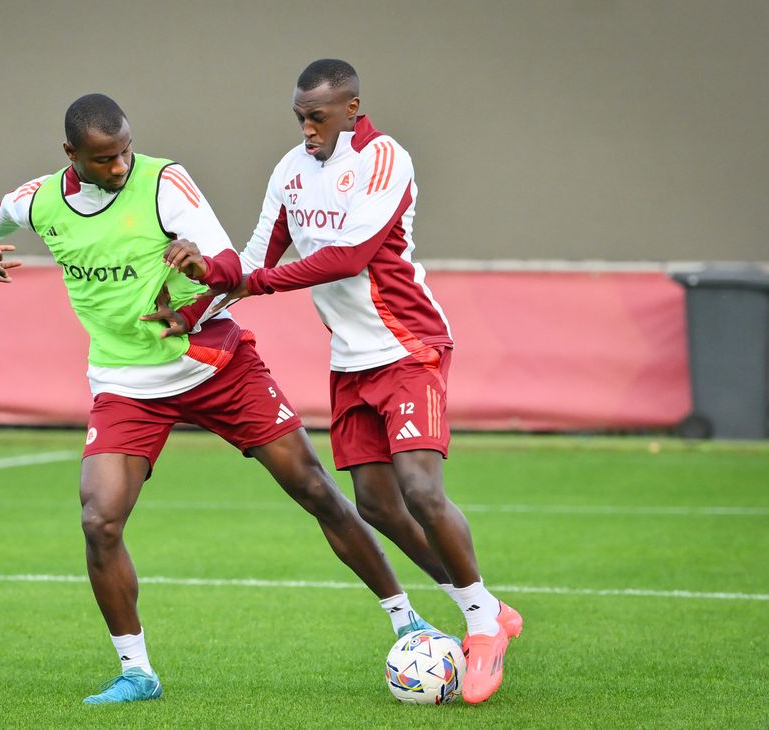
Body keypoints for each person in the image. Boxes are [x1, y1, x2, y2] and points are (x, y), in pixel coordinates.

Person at [0, 93, 435, 705]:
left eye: (126, 150)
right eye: (105, 160)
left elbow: (228, 262)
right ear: (70, 155)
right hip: (126, 383)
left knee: (314, 488)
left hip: (213, 362)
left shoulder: (164, 182)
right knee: (99, 519)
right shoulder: (39, 201)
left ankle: (407, 618)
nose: (120, 167)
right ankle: (137, 671)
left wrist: (200, 271)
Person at [165, 60, 523, 704]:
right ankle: (489, 605)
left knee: (419, 488)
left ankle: (481, 624)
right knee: (378, 506)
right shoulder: (290, 171)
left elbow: (349, 256)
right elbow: (253, 259)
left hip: (409, 347)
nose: (306, 127)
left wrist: (250, 283)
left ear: (352, 107)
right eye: (299, 115)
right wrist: (199, 303)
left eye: (318, 116)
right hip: (351, 362)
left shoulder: (387, 159)